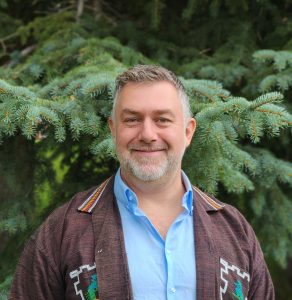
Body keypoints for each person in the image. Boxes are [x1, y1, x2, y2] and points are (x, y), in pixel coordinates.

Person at [9, 65, 275, 300]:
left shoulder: (234, 231)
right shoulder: (64, 230)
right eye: (133, 119)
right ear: (114, 130)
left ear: (187, 131)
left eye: (162, 120)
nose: (147, 134)